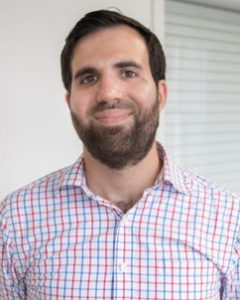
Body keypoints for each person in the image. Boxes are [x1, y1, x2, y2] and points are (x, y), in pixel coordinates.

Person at [0, 9, 239, 300]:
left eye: (128, 73)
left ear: (161, 94)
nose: (109, 93)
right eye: (88, 78)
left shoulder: (228, 219)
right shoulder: (15, 219)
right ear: (70, 102)